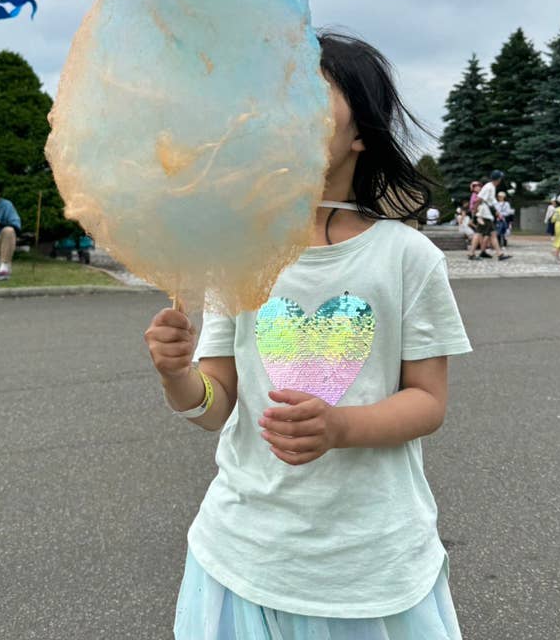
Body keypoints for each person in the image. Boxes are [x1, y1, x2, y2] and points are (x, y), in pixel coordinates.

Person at [144, 33, 471, 639]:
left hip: (367, 562)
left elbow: (428, 402)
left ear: (360, 135)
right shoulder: (239, 254)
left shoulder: (406, 258)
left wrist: (341, 426)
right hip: (242, 551)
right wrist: (177, 375)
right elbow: (215, 404)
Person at [467, 170, 512, 261]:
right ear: (498, 179)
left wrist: (497, 212)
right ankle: (472, 253)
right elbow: (479, 199)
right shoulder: (489, 187)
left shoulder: (491, 187)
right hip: (485, 214)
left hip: (486, 214)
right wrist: (475, 213)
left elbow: (490, 201)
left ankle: (490, 253)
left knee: (491, 234)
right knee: (481, 233)